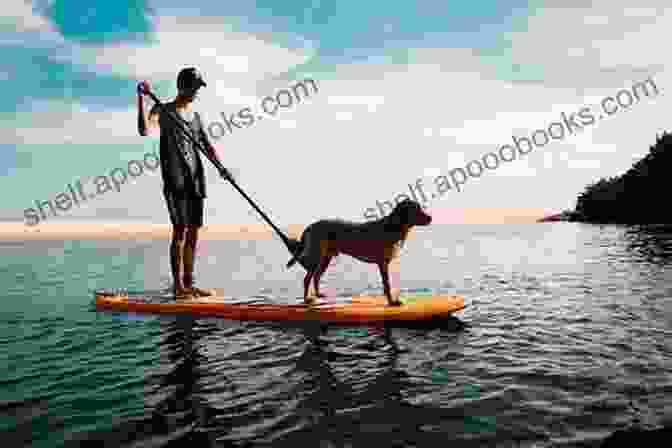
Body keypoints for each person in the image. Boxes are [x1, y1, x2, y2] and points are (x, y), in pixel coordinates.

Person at [137, 67, 233, 299]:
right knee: (179, 231)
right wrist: (141, 100)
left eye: (199, 88)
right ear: (182, 86)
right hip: (175, 180)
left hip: (196, 179)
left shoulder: (196, 117)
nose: (197, 92)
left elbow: (207, 145)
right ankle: (178, 287)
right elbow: (143, 130)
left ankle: (189, 284)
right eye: (194, 87)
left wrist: (221, 167)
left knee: (194, 233)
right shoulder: (163, 110)